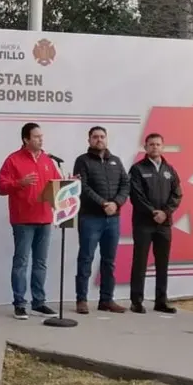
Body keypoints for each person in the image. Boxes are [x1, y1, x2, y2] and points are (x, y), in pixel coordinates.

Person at [0, 122, 63, 319]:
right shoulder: (13, 160)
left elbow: (54, 187)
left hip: (44, 218)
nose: (41, 140)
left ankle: (38, 303)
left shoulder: (48, 160)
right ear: (26, 139)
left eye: (42, 136)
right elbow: (1, 187)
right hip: (23, 219)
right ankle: (19, 304)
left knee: (41, 263)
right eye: (36, 137)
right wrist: (19, 183)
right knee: (21, 262)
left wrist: (69, 183)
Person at [72, 126, 130, 314]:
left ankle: (106, 300)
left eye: (102, 136)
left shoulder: (116, 161)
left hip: (113, 219)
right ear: (89, 140)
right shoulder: (82, 161)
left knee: (109, 261)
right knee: (86, 259)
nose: (99, 140)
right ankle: (81, 299)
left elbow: (125, 184)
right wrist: (104, 203)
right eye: (95, 137)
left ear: (107, 139)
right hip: (90, 218)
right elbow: (83, 187)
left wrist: (116, 203)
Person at [127, 133, 182, 314]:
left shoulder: (169, 169)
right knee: (140, 262)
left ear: (163, 147)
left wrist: (165, 213)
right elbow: (136, 195)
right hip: (144, 223)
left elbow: (177, 194)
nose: (155, 147)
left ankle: (161, 301)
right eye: (151, 145)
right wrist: (152, 212)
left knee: (162, 262)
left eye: (158, 144)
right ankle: (136, 301)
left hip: (164, 224)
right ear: (146, 147)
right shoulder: (137, 169)